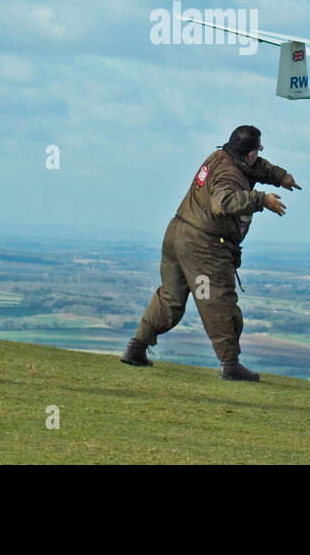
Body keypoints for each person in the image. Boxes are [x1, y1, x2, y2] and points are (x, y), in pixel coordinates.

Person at [122, 125, 299, 381]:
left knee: (170, 299)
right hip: (202, 246)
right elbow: (222, 202)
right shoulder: (228, 173)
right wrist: (262, 200)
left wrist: (280, 176)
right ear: (248, 152)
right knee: (218, 302)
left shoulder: (221, 156)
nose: (258, 154)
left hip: (178, 234)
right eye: (257, 150)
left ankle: (136, 348)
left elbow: (255, 167)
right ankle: (230, 365)